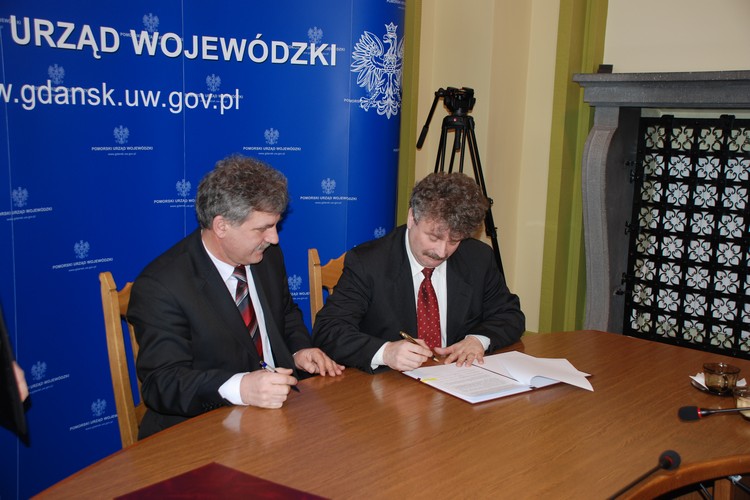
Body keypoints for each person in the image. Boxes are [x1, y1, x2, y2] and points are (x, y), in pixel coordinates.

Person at [128, 155, 344, 439]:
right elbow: (163, 383)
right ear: (221, 226)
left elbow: (286, 313)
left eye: (275, 225)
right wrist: (241, 388)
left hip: (280, 416)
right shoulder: (162, 285)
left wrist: (299, 351)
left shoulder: (266, 255)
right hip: (201, 430)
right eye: (262, 228)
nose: (274, 238)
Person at [312, 172, 525, 373]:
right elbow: (329, 329)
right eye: (433, 237)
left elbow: (509, 315)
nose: (442, 252)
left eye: (454, 241)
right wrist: (385, 352)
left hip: (458, 379)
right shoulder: (368, 263)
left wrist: (477, 340)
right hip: (390, 384)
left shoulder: (477, 258)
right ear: (412, 217)